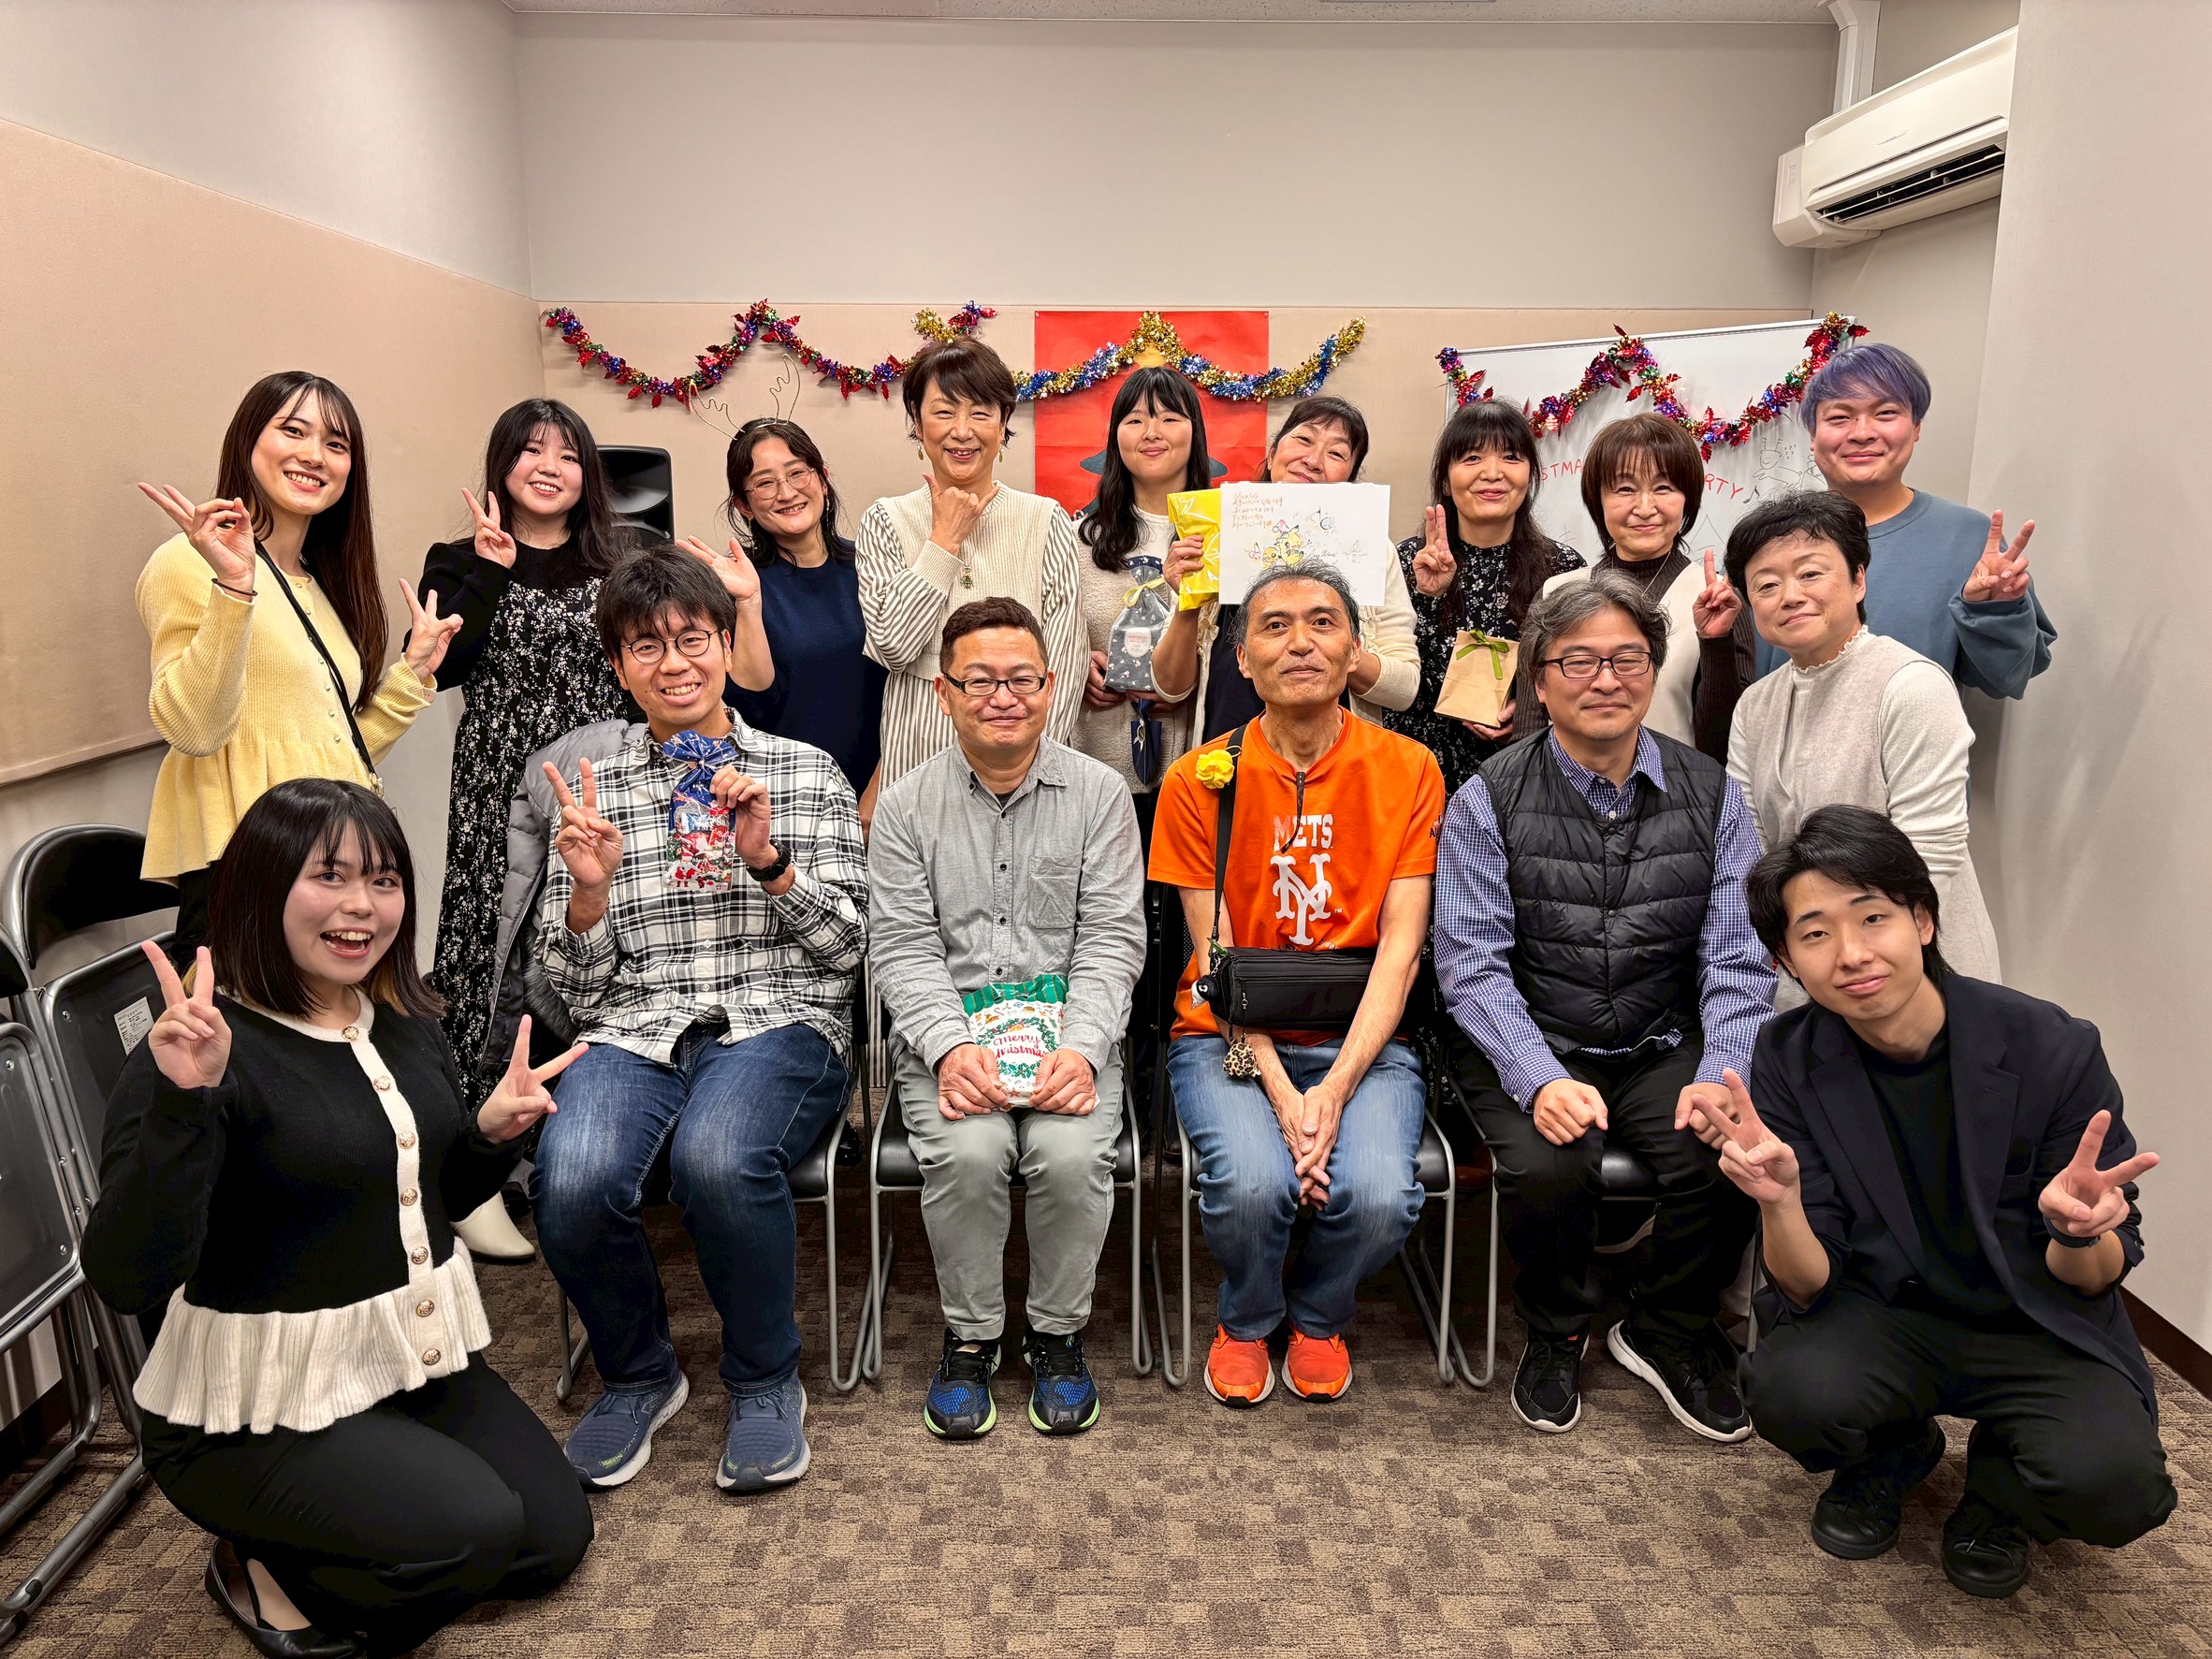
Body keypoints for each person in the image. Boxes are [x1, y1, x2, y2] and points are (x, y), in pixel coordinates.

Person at [82, 779, 591, 1659]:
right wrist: (183, 1104)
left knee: (551, 1537)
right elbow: (127, 1276)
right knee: (469, 1536)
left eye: (384, 879)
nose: (363, 904)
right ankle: (259, 1560)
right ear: (263, 887)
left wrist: (485, 1133)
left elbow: (427, 1199)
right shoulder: (203, 1047)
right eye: (330, 876)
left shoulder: (401, 1019)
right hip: (251, 1409)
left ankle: (363, 1512)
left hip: (395, 1361)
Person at [1701, 806, 2173, 1597]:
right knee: (1789, 1391)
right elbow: (1809, 1281)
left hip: (2033, 1319)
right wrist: (1780, 1201)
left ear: (1922, 920)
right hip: (1889, 1310)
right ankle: (1894, 1447)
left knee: (2116, 1486)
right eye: (1815, 933)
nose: (1852, 952)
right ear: (1786, 960)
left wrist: (2077, 1231)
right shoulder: (1787, 1056)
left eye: (1873, 917)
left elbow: (2097, 1274)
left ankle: (2000, 1490)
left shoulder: (2049, 1046)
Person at [531, 546, 866, 1496]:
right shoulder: (592, 791)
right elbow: (577, 991)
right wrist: (588, 896)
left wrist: (771, 863)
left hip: (780, 1020)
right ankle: (639, 1373)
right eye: (647, 646)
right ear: (618, 665)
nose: (674, 662)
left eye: (692, 638)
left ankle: (763, 1379)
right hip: (636, 1025)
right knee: (570, 1176)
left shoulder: (805, 771)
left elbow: (848, 952)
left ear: (725, 642)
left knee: (717, 1160)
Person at [1433, 573, 1776, 1443]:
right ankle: (1556, 1329)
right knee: (1551, 1164)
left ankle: (1668, 1326)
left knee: (1729, 1145)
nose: (1605, 679)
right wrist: (1539, 1076)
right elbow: (1472, 966)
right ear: (1539, 682)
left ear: (1653, 671)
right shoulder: (1485, 798)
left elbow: (1738, 957)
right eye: (1578, 661)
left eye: (1627, 659)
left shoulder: (1714, 794)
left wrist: (1719, 1070)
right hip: (1531, 1032)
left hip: (1661, 1036)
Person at [1149, 562, 1445, 1407]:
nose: (1301, 642)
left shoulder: (1411, 768)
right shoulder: (1198, 777)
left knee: (1380, 1197)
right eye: (1274, 626)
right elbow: (1215, 960)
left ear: (1355, 651)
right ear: (1242, 660)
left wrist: (1335, 1090)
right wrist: (1285, 1095)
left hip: (1363, 1035)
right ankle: (1248, 1315)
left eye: (1323, 622)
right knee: (1253, 1185)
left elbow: (1401, 952)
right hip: (1228, 1037)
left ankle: (1319, 1313)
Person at [867, 598, 1146, 1439]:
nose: (1003, 696)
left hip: (1070, 1037)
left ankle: (1056, 1333)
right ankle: (973, 1336)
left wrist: (1084, 1048)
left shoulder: (1099, 794)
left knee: (1069, 1155)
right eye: (980, 680)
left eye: (1021, 678)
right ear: (944, 693)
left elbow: (1112, 936)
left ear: (1050, 686)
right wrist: (950, 1047)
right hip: (949, 1040)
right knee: (971, 1151)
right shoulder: (906, 805)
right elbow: (903, 945)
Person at [417, 400, 638, 1265]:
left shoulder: (621, 558)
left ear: (588, 474)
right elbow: (445, 669)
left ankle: (582, 1140)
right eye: (531, 450)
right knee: (490, 961)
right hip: (497, 781)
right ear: (502, 463)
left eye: (568, 454)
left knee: (586, 947)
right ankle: (475, 1173)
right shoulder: (457, 558)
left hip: (597, 781)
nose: (550, 466)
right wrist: (488, 571)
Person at [136, 371, 460, 960]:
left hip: (333, 859)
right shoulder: (187, 562)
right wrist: (235, 587)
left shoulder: (321, 584)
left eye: (336, 444)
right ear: (247, 440)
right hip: (248, 866)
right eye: (293, 431)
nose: (315, 455)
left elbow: (331, 755)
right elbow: (194, 729)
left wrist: (411, 676)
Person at [1725, 491, 2001, 988]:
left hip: (1919, 966)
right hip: (1806, 970)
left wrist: (1858, 957)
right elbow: (1751, 845)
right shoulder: (1755, 705)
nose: (1790, 595)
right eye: (1766, 584)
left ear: (1857, 580)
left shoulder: (1911, 684)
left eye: (1811, 573)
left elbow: (1931, 852)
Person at [858, 336, 1086, 787]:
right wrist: (942, 542)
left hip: (1026, 771)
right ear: (917, 422)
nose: (962, 431)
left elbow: (1064, 664)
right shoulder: (885, 519)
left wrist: (1026, 768)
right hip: (918, 761)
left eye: (980, 413)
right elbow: (893, 648)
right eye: (944, 412)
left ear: (1003, 424)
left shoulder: (1045, 520)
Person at [1789, 341, 2055, 695]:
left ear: (1916, 427)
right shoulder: (1774, 537)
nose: (1862, 433)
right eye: (1839, 417)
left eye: (1885, 413)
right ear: (1812, 434)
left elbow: (2007, 678)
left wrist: (1994, 611)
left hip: (1915, 732)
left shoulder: (1966, 538)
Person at [1150, 396, 1420, 743]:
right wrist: (1189, 602)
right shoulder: (1217, 535)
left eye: (1336, 453)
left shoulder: (1372, 551)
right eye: (1304, 439)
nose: (1313, 460)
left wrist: (1334, 651)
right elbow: (1170, 688)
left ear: (1350, 479)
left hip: (1337, 761)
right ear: (1272, 452)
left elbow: (1404, 689)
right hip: (1227, 757)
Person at [1382, 399, 1584, 794]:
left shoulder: (1563, 569)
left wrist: (1531, 708)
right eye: (1472, 458)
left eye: (1510, 457)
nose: (1492, 473)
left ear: (1530, 475)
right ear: (1446, 480)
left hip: (1525, 781)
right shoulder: (1403, 562)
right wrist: (1429, 596)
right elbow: (1390, 678)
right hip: (1415, 777)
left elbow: (1579, 669)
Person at [703, 417, 888, 831]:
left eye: (797, 473)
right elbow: (746, 708)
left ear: (823, 479)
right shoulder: (736, 585)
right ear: (744, 505)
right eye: (764, 483)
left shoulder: (874, 566)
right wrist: (748, 603)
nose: (786, 493)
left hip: (878, 800)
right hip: (779, 804)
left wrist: (883, 787)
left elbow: (907, 689)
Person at [1539, 413, 1752, 762]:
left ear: (1688, 498)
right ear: (1597, 499)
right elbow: (1532, 725)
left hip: (1678, 789)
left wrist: (1715, 642)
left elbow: (1725, 742)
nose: (1644, 507)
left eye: (1663, 487)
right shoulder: (1556, 592)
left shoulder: (1716, 598)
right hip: (1566, 789)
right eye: (1625, 489)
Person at [1072, 367, 1205, 826]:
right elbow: (1045, 631)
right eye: (1135, 420)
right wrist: (1075, 666)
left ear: (1195, 432)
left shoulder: (1225, 536)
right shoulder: (1076, 539)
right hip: (1096, 768)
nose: (1151, 432)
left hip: (1199, 770)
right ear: (1116, 437)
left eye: (1169, 418)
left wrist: (1192, 680)